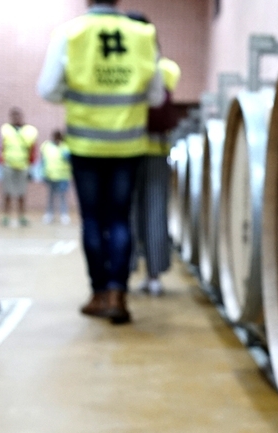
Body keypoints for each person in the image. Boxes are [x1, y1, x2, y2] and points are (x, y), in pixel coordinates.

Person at [37, 0, 163, 324]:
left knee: (93, 219)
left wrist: (76, 91)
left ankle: (98, 293)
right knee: (120, 219)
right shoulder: (142, 34)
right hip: (128, 143)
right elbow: (157, 96)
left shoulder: (70, 33)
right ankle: (118, 293)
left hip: (86, 143)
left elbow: (47, 89)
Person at [127, 12, 180, 296]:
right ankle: (154, 275)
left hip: (127, 149)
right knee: (156, 212)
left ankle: (126, 273)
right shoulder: (167, 68)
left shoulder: (131, 67)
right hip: (157, 150)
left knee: (128, 213)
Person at [0, 107, 38, 227]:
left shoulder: (30, 130)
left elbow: (33, 148)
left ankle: (22, 216)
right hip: (8, 165)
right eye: (14, 116)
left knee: (21, 193)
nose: (16, 118)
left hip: (23, 166)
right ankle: (6, 216)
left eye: (18, 115)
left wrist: (32, 164)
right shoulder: (4, 129)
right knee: (7, 193)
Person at [39, 129, 72, 225]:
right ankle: (49, 214)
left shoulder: (65, 147)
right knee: (50, 196)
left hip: (62, 176)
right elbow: (43, 161)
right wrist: (42, 173)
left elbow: (69, 160)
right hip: (50, 176)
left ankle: (64, 214)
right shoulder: (46, 146)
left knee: (62, 197)